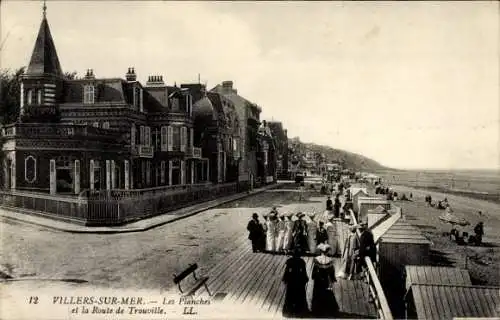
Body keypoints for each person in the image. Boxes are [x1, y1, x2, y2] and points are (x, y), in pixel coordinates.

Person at [311, 243, 339, 318]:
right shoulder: (330, 260)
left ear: (320, 251)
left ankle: (317, 310)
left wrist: (313, 276)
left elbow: (314, 271)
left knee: (317, 293)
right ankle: (327, 309)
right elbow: (332, 272)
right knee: (327, 292)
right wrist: (333, 278)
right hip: (326, 279)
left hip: (318, 280)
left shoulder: (317, 259)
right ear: (327, 251)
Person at [282, 247, 310, 318]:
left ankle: (289, 310)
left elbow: (287, 271)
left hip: (291, 280)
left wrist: (285, 278)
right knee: (300, 295)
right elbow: (304, 272)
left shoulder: (289, 261)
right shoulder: (302, 261)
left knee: (290, 295)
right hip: (299, 280)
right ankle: (300, 310)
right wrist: (305, 279)